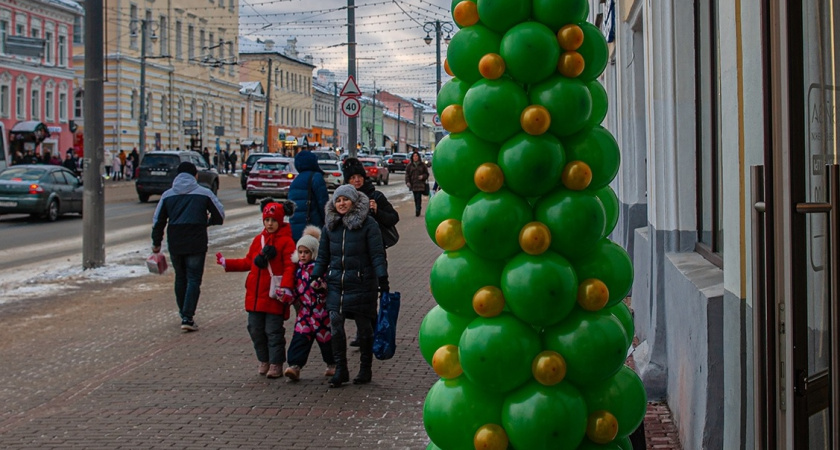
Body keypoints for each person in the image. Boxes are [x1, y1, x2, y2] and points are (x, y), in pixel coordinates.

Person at [311, 185, 389, 388]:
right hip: (337, 283)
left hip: (362, 283)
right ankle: (341, 369)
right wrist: (316, 275)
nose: (342, 204)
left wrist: (382, 278)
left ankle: (365, 369)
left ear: (354, 202)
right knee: (335, 324)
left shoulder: (368, 224)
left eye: (345, 199)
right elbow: (323, 255)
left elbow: (377, 254)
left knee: (364, 328)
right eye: (338, 200)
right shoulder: (330, 226)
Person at [216, 199, 296, 378]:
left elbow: (290, 267)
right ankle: (264, 360)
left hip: (274, 295)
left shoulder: (286, 242)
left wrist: (286, 288)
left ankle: (276, 363)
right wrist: (227, 263)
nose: (270, 223)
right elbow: (247, 262)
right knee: (255, 330)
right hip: (254, 296)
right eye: (267, 220)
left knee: (273, 332)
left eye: (274, 220)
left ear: (281, 220)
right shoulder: (258, 240)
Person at [151, 162, 225, 332]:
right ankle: (188, 316)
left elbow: (158, 221)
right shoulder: (204, 193)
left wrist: (156, 244)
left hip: (175, 240)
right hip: (196, 240)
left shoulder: (167, 195)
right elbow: (219, 215)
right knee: (193, 278)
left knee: (180, 277)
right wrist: (206, 222)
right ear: (195, 176)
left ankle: (183, 313)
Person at [341, 157, 400, 347]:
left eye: (359, 177)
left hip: (375, 252)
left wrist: (377, 211)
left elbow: (393, 218)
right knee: (358, 293)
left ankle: (372, 330)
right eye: (352, 178)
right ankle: (364, 331)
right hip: (353, 253)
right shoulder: (344, 200)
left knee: (372, 291)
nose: (356, 181)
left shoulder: (376, 196)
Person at [283, 225, 335, 381]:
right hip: (305, 312)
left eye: (306, 252)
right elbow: (296, 291)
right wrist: (288, 297)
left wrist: (321, 290)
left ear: (314, 253)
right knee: (300, 338)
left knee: (326, 340)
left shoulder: (319, 270)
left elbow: (327, 290)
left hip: (321, 312)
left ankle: (332, 364)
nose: (303, 255)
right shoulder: (297, 271)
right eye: (300, 252)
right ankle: (294, 366)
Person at [287, 150, 330, 241]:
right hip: (313, 228)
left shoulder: (295, 181)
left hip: (296, 230)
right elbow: (323, 204)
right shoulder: (316, 177)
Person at [405, 151, 430, 217]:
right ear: (412, 157)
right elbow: (407, 175)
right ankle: (417, 207)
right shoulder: (409, 165)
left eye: (416, 156)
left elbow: (426, 174)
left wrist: (423, 176)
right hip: (413, 184)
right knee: (415, 198)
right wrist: (407, 182)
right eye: (414, 156)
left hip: (420, 184)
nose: (415, 157)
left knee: (418, 197)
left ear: (418, 157)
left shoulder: (422, 165)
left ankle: (418, 209)